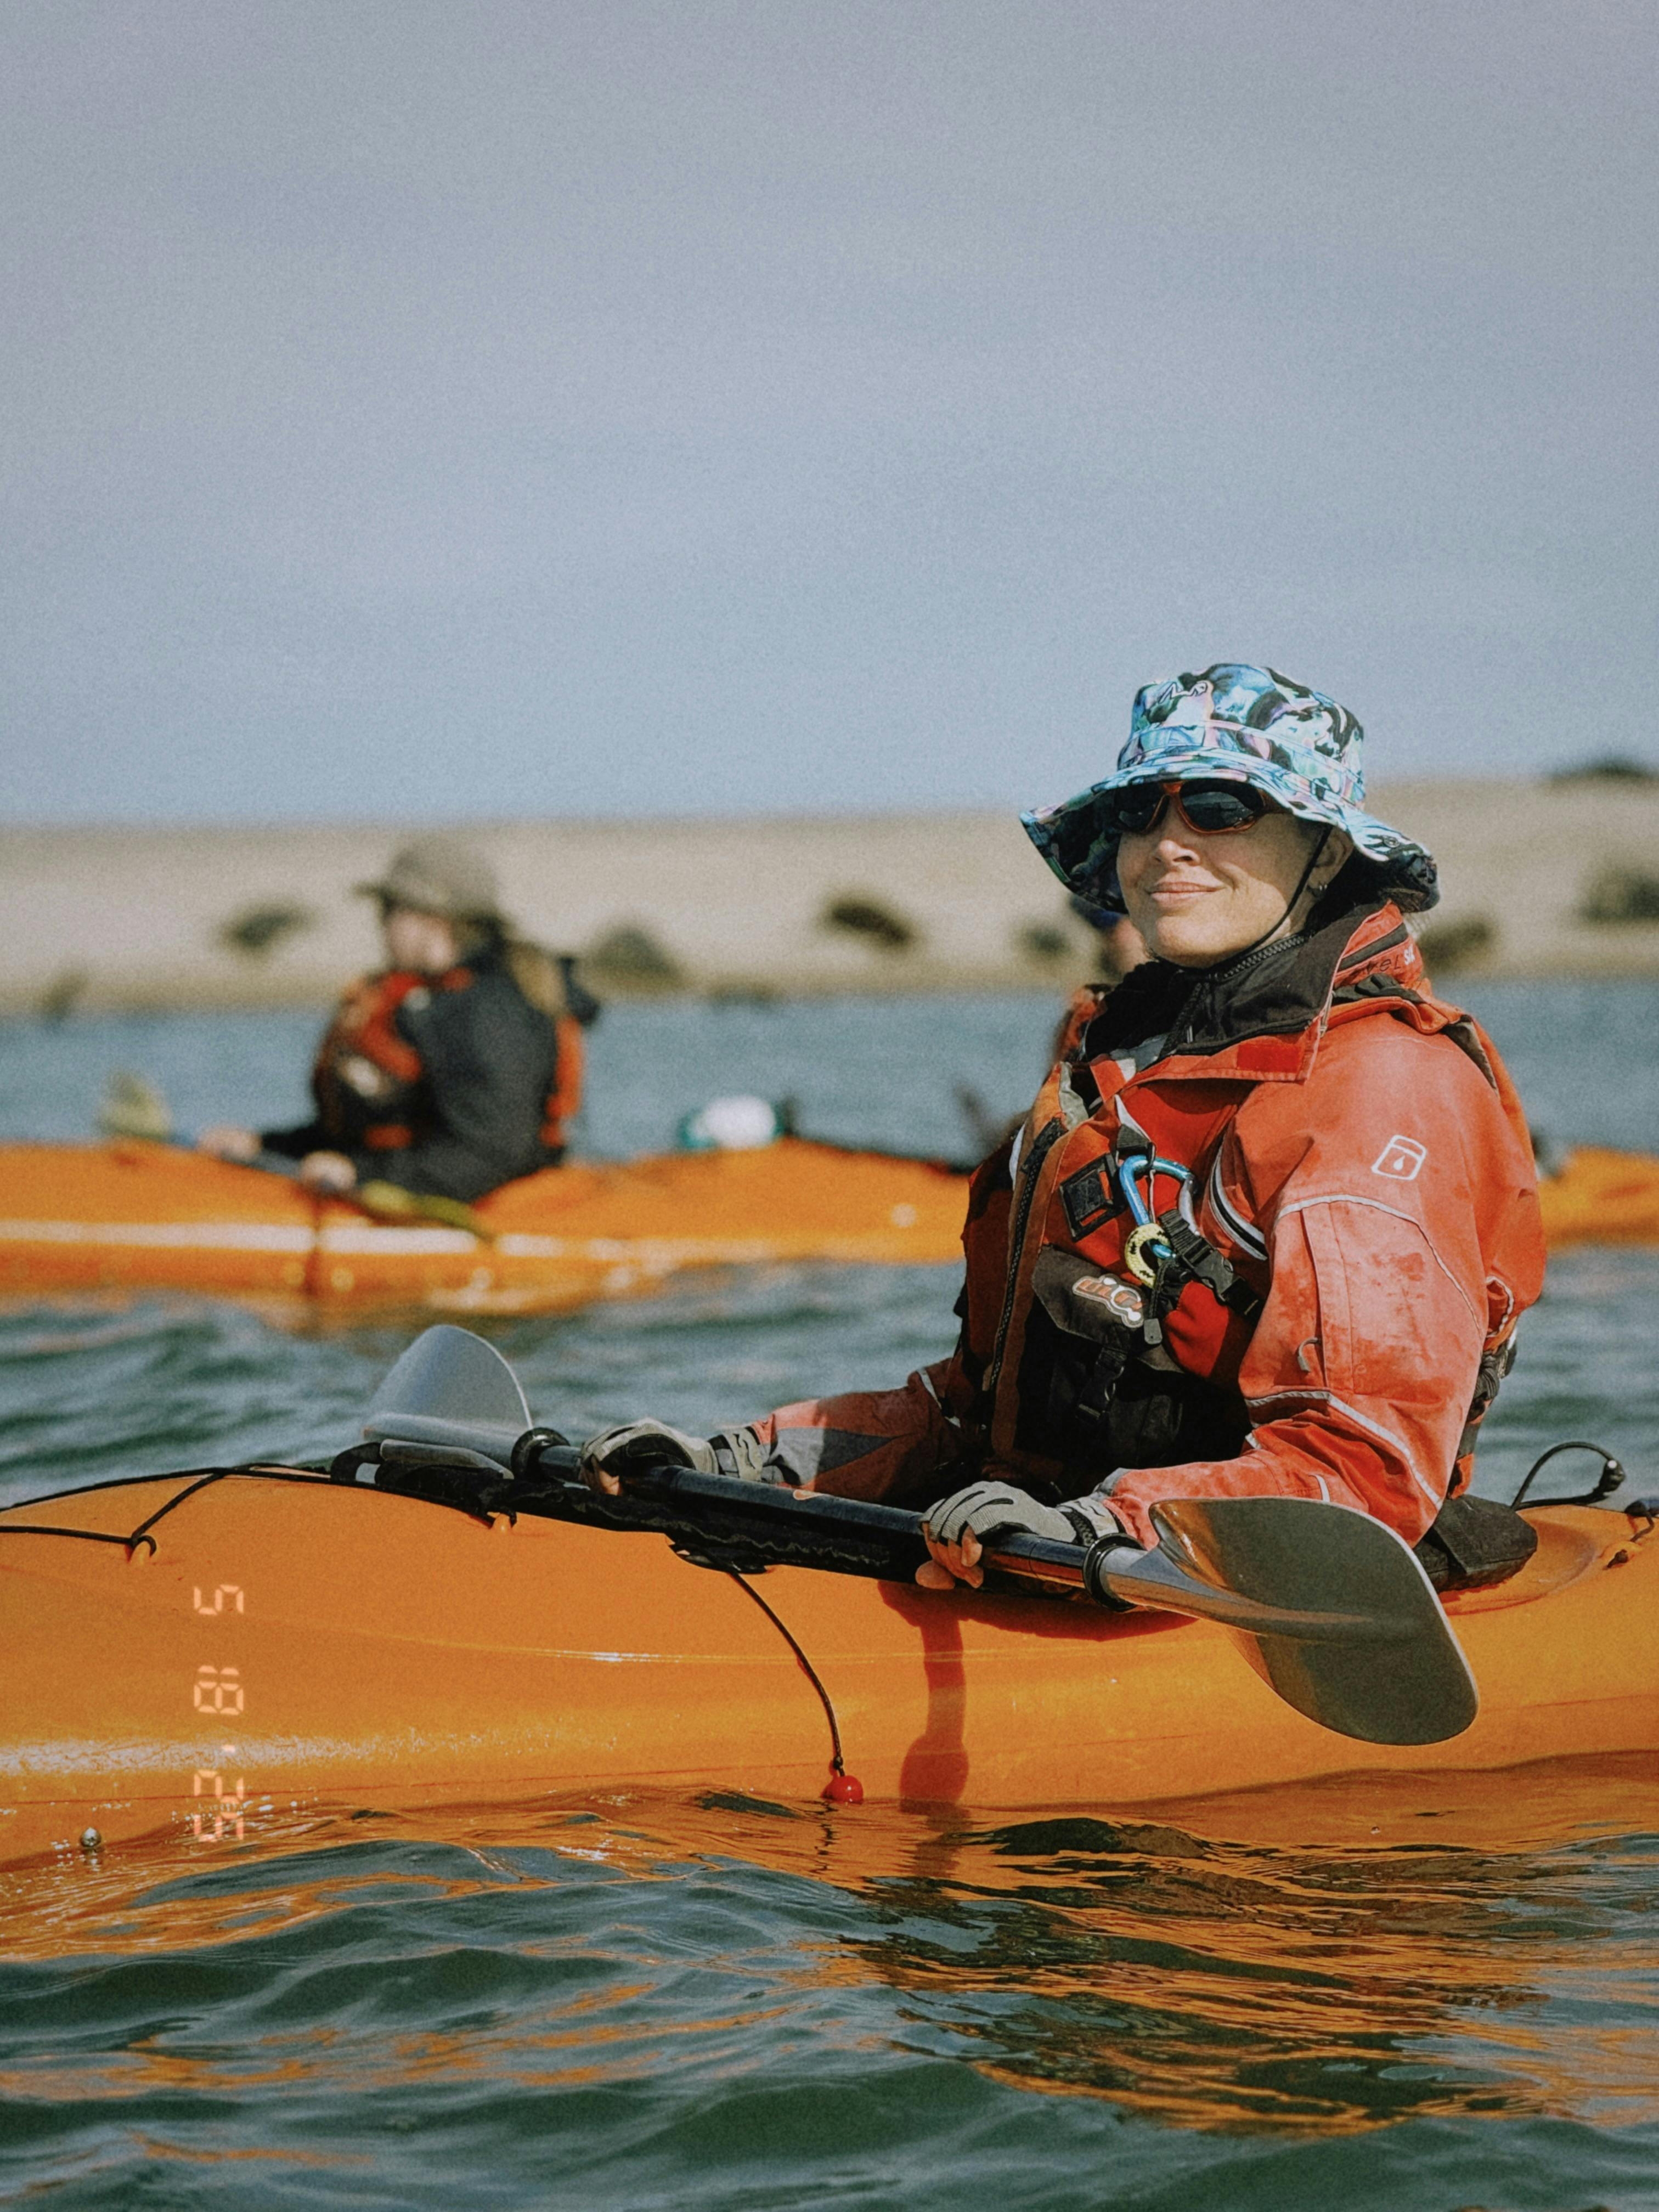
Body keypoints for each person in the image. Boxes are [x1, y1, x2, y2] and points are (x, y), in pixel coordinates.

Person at [580, 663, 1545, 1595]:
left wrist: (1101, 1527)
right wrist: (743, 1459)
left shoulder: (1380, 1083)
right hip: (1041, 1537)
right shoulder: (1120, 1061)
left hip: (1217, 1575)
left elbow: (1360, 1471)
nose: (1167, 841)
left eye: (1217, 806)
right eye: (1140, 811)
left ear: (1324, 851)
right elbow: (972, 1414)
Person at [199, 834, 597, 1205]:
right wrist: (266, 1147)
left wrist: (362, 1174)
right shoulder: (428, 1000)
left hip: (498, 1201)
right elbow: (384, 1130)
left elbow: (489, 1153)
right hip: (413, 1177)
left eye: (389, 911)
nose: (382, 926)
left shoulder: (487, 1010)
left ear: (433, 922)